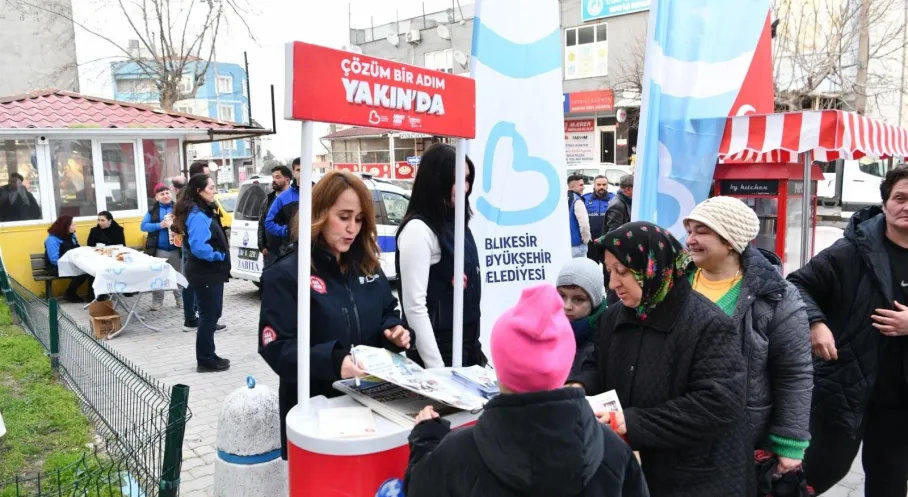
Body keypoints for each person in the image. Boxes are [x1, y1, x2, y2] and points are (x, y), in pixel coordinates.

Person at [403, 284, 648, 497]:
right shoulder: (614, 452)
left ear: (500, 368)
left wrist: (425, 441)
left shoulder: (456, 455)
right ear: (564, 365)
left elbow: (419, 489)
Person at [569, 221, 747, 497]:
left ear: (653, 269)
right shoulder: (612, 317)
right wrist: (579, 386)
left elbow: (717, 403)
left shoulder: (709, 325)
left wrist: (633, 422)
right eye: (609, 271)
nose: (613, 283)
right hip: (627, 468)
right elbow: (597, 362)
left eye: (623, 272)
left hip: (691, 478)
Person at [257, 170, 411, 459]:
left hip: (373, 411)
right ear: (320, 213)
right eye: (344, 217)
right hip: (317, 418)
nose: (352, 228)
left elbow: (387, 311)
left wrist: (394, 330)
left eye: (359, 218)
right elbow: (276, 348)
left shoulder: (366, 264)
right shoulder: (287, 273)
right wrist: (334, 361)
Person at [788, 165, 908, 497]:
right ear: (885, 203)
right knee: (816, 474)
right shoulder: (852, 251)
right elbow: (797, 285)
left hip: (899, 402)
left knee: (890, 481)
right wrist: (815, 323)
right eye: (900, 198)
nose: (906, 206)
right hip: (845, 390)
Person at [683, 196, 813, 482]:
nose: (690, 239)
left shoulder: (776, 295)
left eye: (701, 231)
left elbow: (794, 372)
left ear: (730, 241)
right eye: (689, 230)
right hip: (680, 430)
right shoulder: (675, 285)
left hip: (742, 437)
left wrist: (790, 443)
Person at [396, 143, 483, 369]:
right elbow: (414, 306)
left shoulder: (458, 222)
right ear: (436, 180)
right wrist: (437, 369)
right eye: (456, 180)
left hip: (468, 345)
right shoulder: (418, 230)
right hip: (440, 352)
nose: (463, 188)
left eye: (467, 179)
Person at [174, 173, 231, 373]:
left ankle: (209, 354)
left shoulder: (204, 210)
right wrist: (218, 256)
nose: (214, 190)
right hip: (205, 272)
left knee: (212, 314)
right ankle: (205, 360)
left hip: (209, 272)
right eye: (211, 187)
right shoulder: (198, 214)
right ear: (199, 191)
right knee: (209, 316)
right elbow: (199, 247)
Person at [141, 183, 182, 311]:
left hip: (176, 248)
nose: (165, 196)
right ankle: (157, 301)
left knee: (179, 275)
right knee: (157, 276)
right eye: (162, 194)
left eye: (167, 193)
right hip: (159, 249)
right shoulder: (152, 210)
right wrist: (160, 225)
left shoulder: (178, 208)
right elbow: (143, 226)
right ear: (157, 197)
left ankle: (180, 299)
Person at [556, 257, 607, 356]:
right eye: (562, 296)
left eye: (579, 299)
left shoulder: (607, 340)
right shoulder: (541, 332)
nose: (567, 306)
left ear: (594, 303)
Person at [44, 215, 93, 302]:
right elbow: (54, 260)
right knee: (82, 272)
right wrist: (73, 264)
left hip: (72, 263)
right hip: (56, 267)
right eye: (73, 224)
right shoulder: (52, 240)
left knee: (89, 270)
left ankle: (93, 296)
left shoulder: (72, 235)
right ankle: (70, 293)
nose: (75, 226)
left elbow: (77, 249)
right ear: (65, 226)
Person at [264, 158, 301, 256]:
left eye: (305, 169)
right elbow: (268, 223)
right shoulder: (284, 197)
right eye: (298, 170)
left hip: (315, 249)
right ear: (293, 172)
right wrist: (287, 231)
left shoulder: (318, 193)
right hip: (291, 251)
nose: (302, 173)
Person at [257, 164, 293, 268]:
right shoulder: (268, 200)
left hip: (289, 251)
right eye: (273, 177)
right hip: (270, 253)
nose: (274, 180)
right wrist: (262, 246)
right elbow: (261, 223)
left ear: (287, 179)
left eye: (277, 177)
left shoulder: (293, 199)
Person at [584, 175, 613, 264]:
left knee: (608, 267)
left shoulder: (614, 199)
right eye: (599, 184)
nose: (601, 187)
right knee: (591, 267)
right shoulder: (585, 199)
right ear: (594, 186)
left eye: (604, 185)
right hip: (591, 241)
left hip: (607, 240)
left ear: (607, 185)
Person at [567, 174, 591, 258]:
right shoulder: (577, 200)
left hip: (565, 244)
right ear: (572, 187)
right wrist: (586, 239)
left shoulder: (562, 198)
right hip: (577, 245)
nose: (583, 187)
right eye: (581, 185)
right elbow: (584, 223)